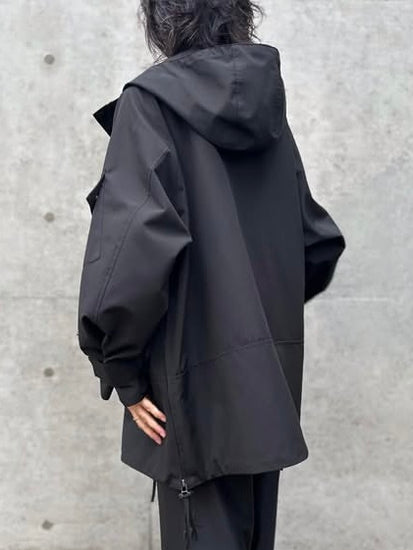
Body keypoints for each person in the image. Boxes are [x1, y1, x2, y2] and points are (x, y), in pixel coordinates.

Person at [77, 1, 346, 548]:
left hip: (192, 389)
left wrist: (122, 370)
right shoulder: (269, 109)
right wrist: (257, 325)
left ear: (162, 19)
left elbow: (129, 252)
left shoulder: (150, 104)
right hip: (265, 385)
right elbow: (313, 241)